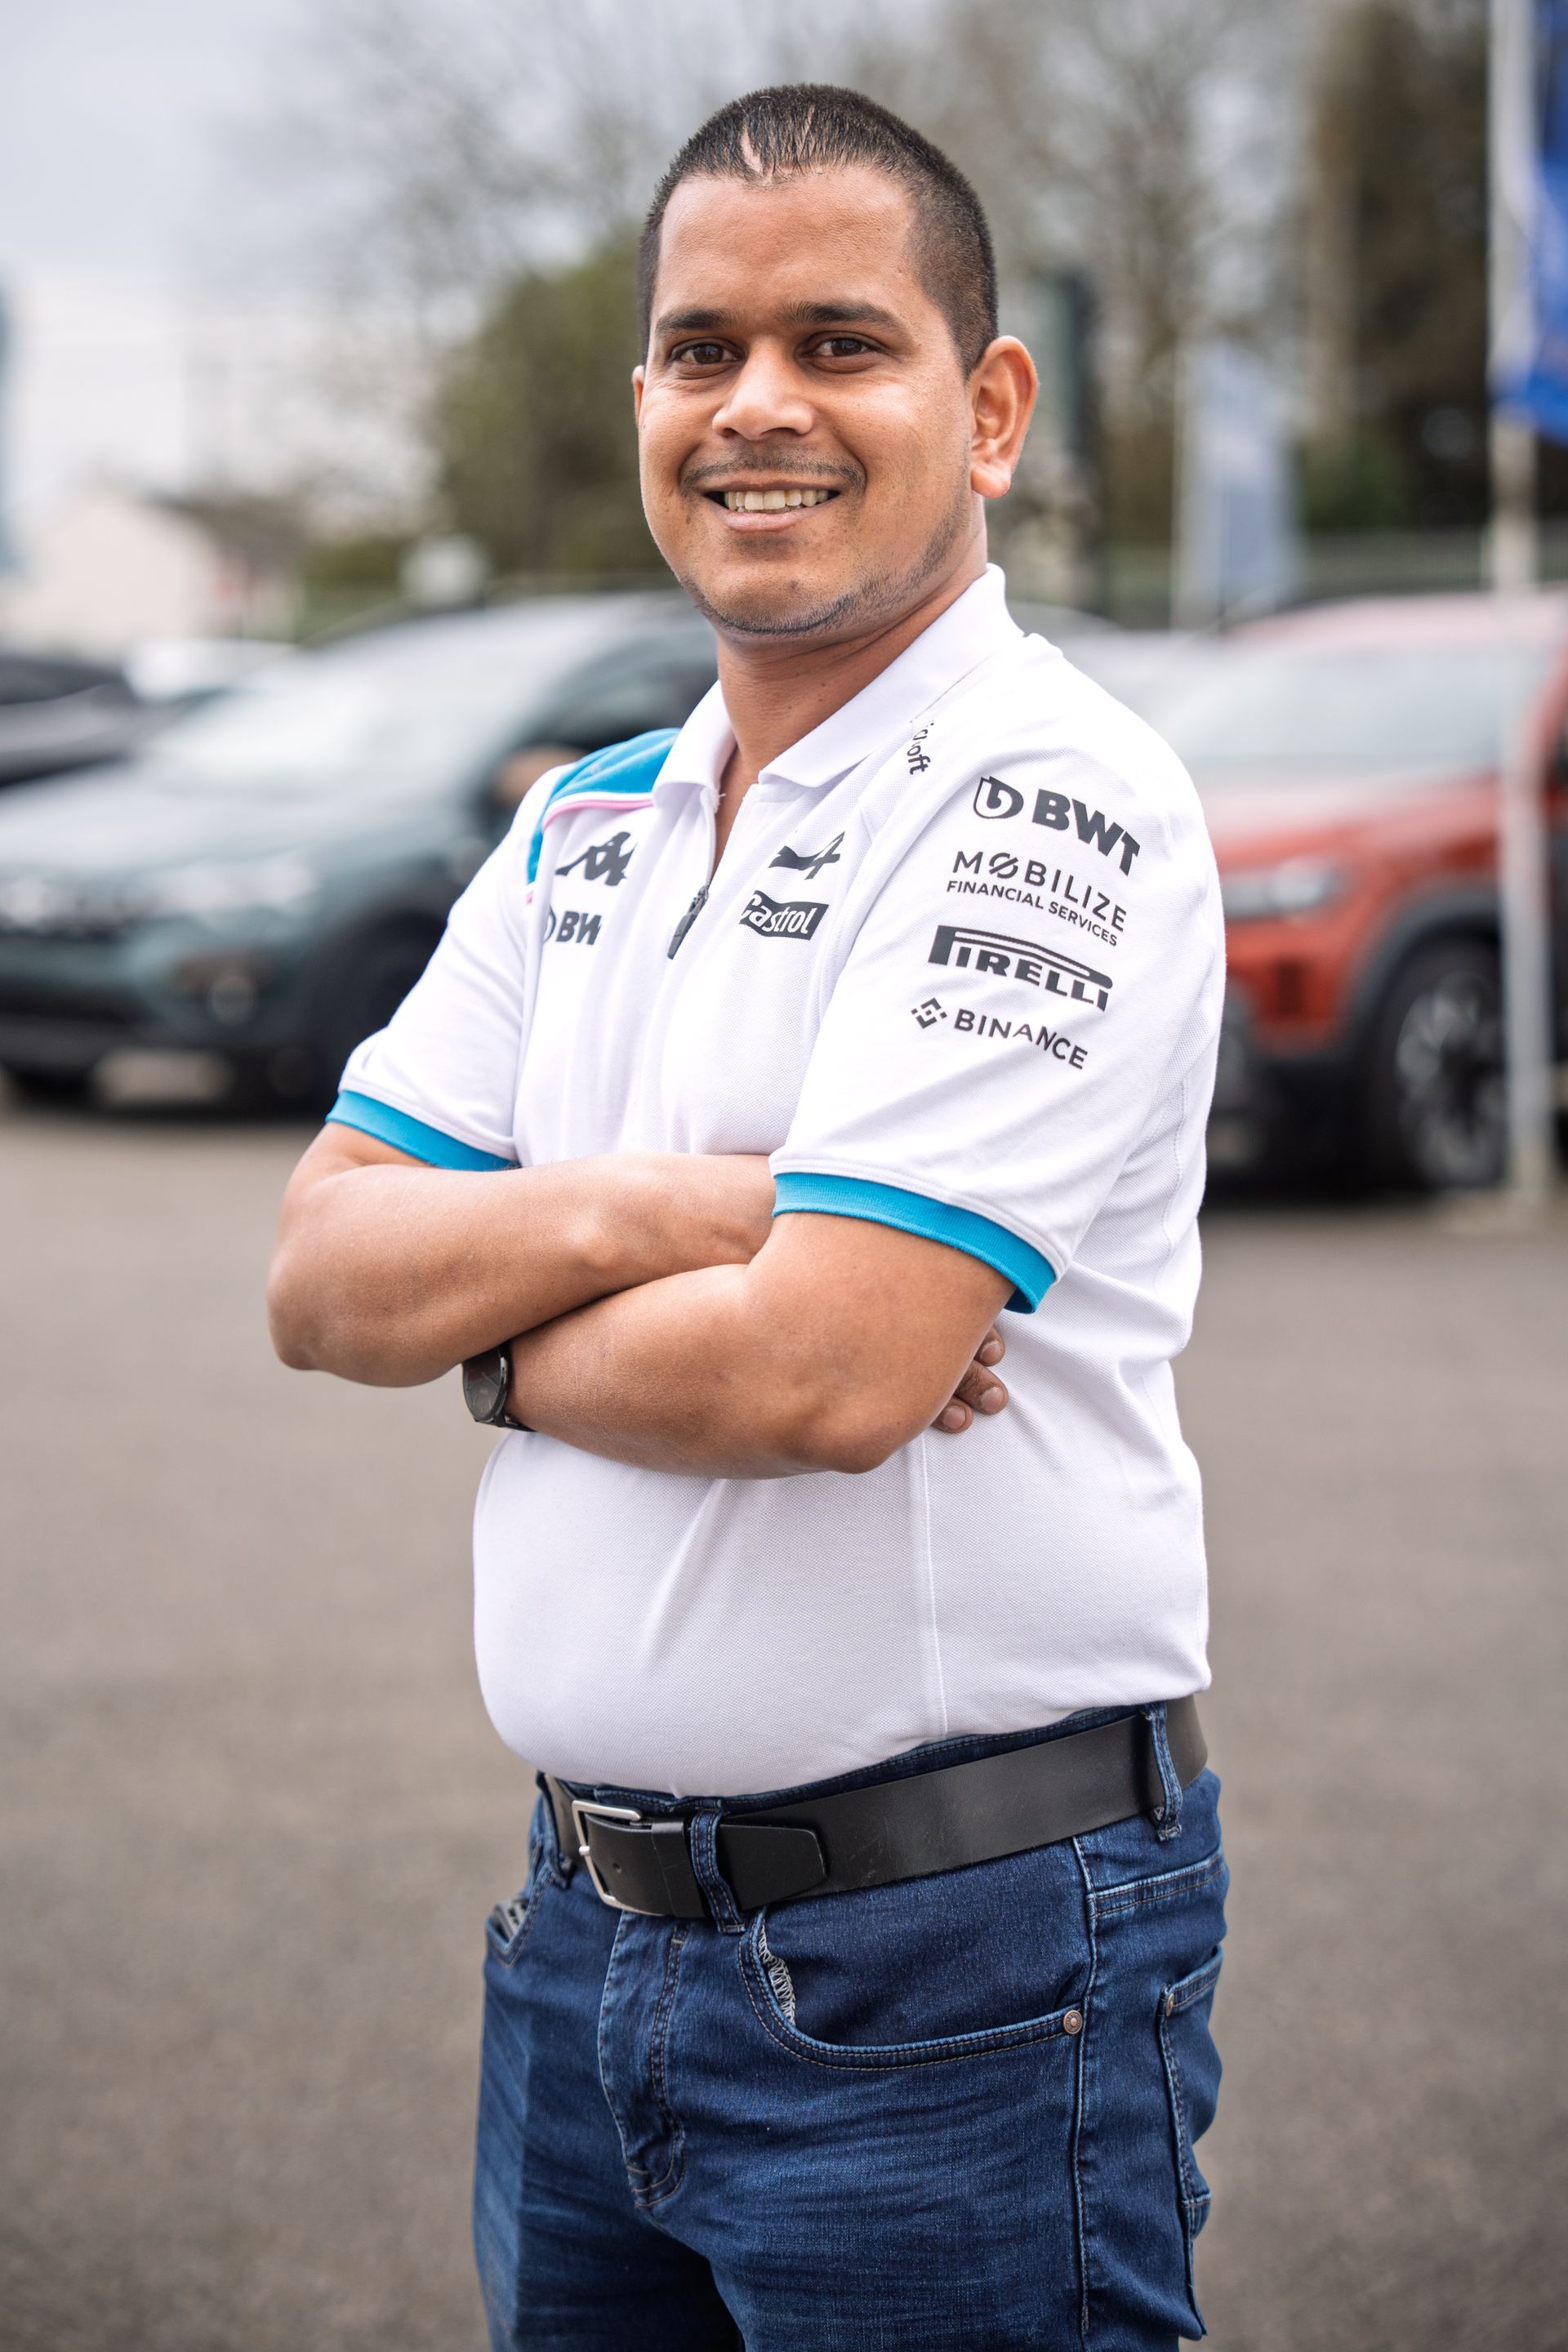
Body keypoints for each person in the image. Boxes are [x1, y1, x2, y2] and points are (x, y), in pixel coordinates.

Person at [268, 83, 1227, 2352]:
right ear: (643, 406)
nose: (757, 406)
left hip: (960, 1975)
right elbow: (316, 1274)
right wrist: (683, 1210)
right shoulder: (589, 819)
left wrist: (487, 1311)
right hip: (584, 1945)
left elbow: (822, 1373)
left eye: (838, 342)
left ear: (988, 409)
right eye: (702, 350)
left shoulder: (1056, 794)